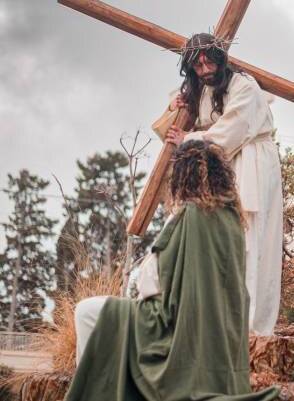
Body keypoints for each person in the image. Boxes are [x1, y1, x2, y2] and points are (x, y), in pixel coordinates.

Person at [66, 141, 279, 401]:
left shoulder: (188, 215)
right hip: (219, 339)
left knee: (86, 311)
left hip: (173, 330)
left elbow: (151, 282)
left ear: (183, 176)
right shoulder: (233, 221)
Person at [162, 33, 283, 336]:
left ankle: (252, 327)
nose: (204, 69)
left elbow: (232, 130)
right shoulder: (201, 91)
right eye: (197, 64)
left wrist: (188, 139)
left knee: (251, 240)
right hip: (224, 167)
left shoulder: (244, 86)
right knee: (226, 243)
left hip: (252, 160)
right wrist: (174, 104)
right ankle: (224, 323)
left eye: (209, 61)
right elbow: (184, 124)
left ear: (220, 59)